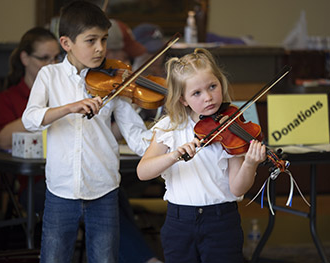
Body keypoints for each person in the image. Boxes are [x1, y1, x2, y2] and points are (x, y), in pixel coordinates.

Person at [21, 1, 152, 262]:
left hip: (103, 188)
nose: (100, 48)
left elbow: (136, 136)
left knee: (105, 259)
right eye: (91, 40)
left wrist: (168, 138)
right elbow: (30, 119)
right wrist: (69, 108)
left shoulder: (115, 78)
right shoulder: (49, 76)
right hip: (61, 190)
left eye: (103, 39)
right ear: (66, 43)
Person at [137, 48, 267, 263]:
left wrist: (250, 164)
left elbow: (237, 188)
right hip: (179, 222)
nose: (208, 97)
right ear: (183, 99)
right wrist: (173, 156)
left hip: (221, 221)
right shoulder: (169, 127)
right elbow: (143, 172)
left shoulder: (231, 127)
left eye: (212, 87)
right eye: (196, 93)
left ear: (221, 84)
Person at [107, 18, 163, 263]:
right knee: (109, 196)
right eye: (124, 56)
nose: (127, 64)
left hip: (120, 171)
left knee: (114, 194)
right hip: (57, 181)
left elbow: (138, 139)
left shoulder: (124, 89)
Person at [0, 27, 61, 213]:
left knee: (110, 194)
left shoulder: (64, 95)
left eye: (56, 58)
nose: (52, 64)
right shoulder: (7, 99)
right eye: (44, 58)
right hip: (36, 184)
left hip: (69, 177)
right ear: (25, 59)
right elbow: (2, 139)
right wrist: (47, 112)